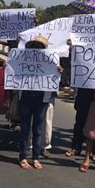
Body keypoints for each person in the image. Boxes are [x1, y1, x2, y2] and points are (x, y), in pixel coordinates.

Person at [18, 35, 62, 170]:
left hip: (42, 99)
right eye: (35, 46)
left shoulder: (51, 61)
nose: (37, 48)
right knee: (25, 129)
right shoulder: (22, 58)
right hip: (26, 97)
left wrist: (58, 72)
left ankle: (35, 157)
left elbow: (55, 82)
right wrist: (8, 67)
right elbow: (15, 73)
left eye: (40, 46)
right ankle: (23, 157)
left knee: (37, 129)